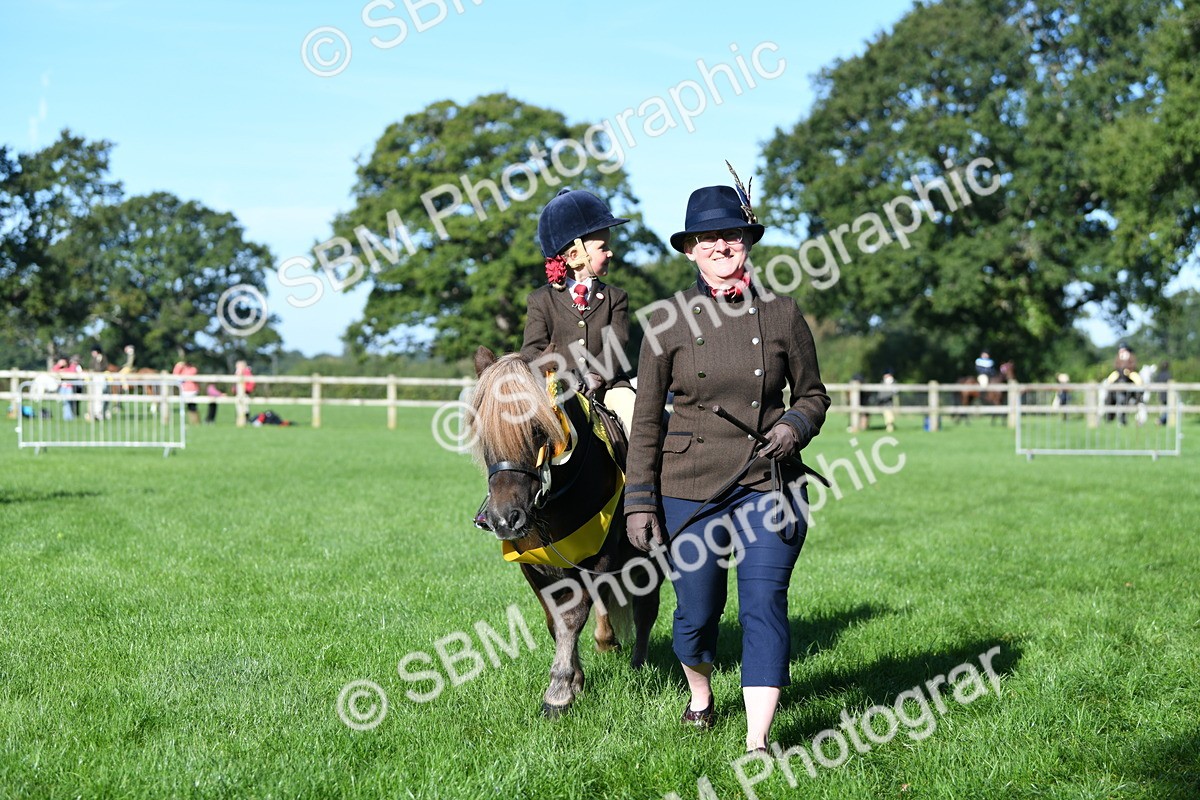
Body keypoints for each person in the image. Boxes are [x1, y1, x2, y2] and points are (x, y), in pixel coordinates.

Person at [624, 179, 830, 752]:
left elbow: (813, 395)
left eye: (732, 234)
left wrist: (794, 426)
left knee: (763, 604)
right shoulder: (665, 321)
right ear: (690, 249)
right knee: (695, 614)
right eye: (708, 237)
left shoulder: (782, 313)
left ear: (748, 241)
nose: (721, 245)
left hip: (769, 483)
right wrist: (639, 502)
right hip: (689, 486)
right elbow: (646, 421)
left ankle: (757, 741)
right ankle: (700, 695)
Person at [520, 187, 635, 430]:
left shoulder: (616, 298)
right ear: (575, 255)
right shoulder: (541, 300)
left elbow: (616, 345)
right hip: (558, 391)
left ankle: (643, 457)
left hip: (608, 389)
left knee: (631, 408)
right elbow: (532, 351)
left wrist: (595, 375)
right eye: (603, 247)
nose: (610, 252)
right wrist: (560, 379)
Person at [173, 358, 200, 425]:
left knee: (192, 406)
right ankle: (192, 421)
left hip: (191, 391)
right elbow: (175, 375)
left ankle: (195, 421)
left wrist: (179, 367)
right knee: (188, 406)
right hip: (185, 390)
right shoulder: (184, 369)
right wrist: (178, 366)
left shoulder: (192, 369)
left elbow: (179, 375)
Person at [875, 368, 897, 432]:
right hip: (883, 401)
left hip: (889, 401)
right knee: (887, 414)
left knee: (889, 414)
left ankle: (890, 426)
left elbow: (895, 392)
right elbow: (880, 393)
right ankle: (889, 426)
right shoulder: (883, 382)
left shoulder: (893, 382)